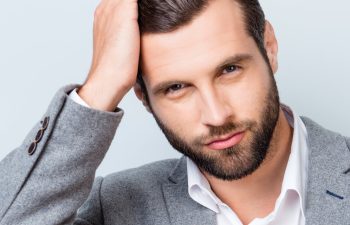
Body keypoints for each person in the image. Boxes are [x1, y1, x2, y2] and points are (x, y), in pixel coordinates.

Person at [0, 0, 349, 224]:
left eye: (229, 69)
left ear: (269, 48)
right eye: (176, 88)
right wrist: (100, 87)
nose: (216, 115)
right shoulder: (114, 208)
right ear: (143, 96)